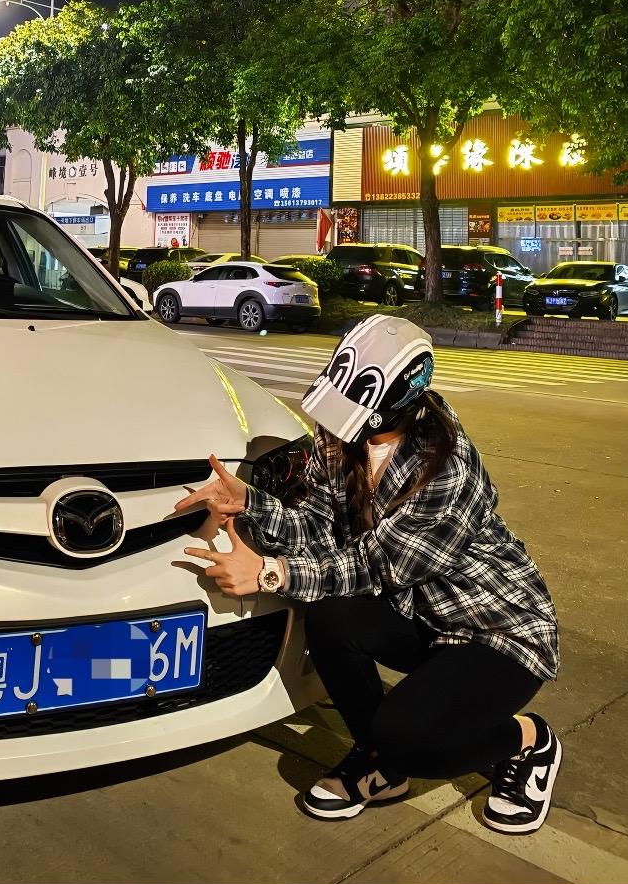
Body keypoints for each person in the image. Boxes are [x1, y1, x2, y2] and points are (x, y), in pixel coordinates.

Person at [178, 314, 561, 834]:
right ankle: (378, 761)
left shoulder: (447, 466)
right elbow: (319, 527)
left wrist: (269, 573)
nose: (337, 426)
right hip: (421, 617)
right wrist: (251, 502)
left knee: (412, 741)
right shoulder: (341, 436)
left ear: (401, 400)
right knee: (331, 615)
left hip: (495, 628)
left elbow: (377, 566)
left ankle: (527, 740)